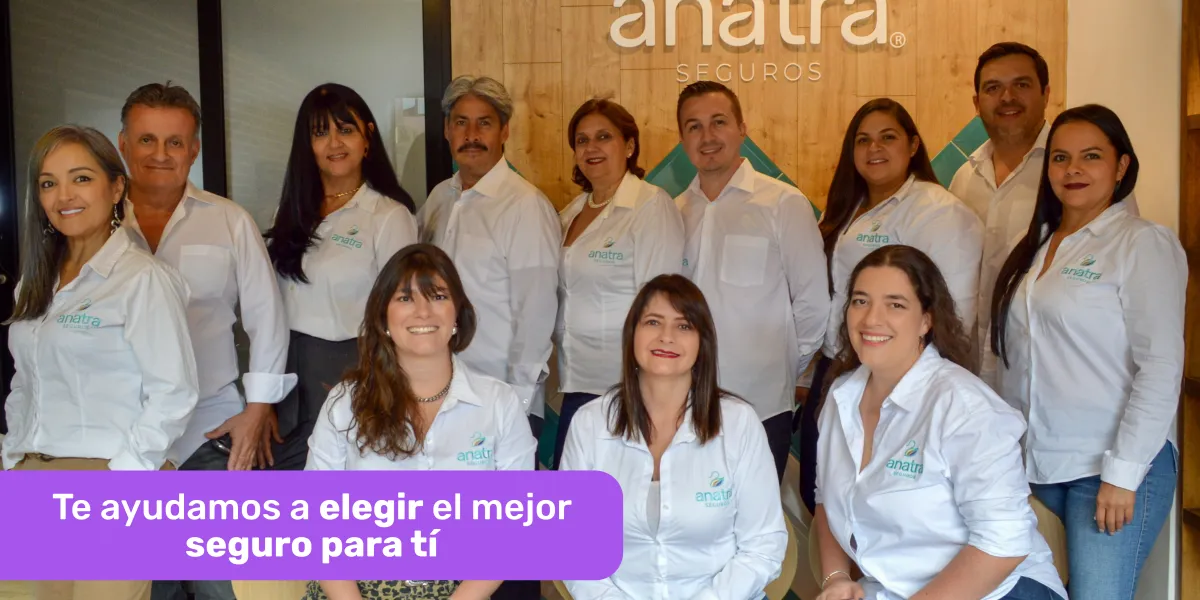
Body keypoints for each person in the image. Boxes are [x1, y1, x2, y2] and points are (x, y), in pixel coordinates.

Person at [991, 104, 1185, 599]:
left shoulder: (1141, 243)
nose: (1073, 169)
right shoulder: (1036, 245)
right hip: (1034, 464)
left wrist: (1123, 475)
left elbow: (1161, 366)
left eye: (1091, 156)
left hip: (1109, 466)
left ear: (1121, 166)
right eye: (1060, 157)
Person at [115, 82, 297, 600]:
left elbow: (267, 318)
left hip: (208, 431)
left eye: (175, 142)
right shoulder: (95, 225)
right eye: (147, 139)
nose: (161, 154)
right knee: (145, 587)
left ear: (194, 149)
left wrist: (258, 408)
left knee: (227, 585)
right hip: (121, 442)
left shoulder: (228, 221)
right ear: (123, 144)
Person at [2, 125, 199, 600]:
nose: (64, 195)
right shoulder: (36, 282)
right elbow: (25, 383)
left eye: (81, 178)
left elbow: (173, 393)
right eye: (48, 183)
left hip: (109, 477)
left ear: (115, 188)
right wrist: (11, 460)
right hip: (33, 477)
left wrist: (124, 478)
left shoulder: (142, 278)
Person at [814, 245, 1065, 600]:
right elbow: (826, 496)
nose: (871, 319)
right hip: (893, 590)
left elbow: (1004, 543)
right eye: (860, 301)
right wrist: (836, 578)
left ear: (926, 320)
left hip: (998, 591)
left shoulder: (965, 408)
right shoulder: (841, 397)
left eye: (895, 305)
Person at [306, 243, 536, 600]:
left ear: (458, 313)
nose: (423, 311)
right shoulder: (346, 402)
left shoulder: (499, 404)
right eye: (405, 298)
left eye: (438, 296)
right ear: (383, 318)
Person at [797, 97, 984, 513]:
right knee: (823, 492)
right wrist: (810, 373)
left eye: (888, 138)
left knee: (884, 502)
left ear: (913, 145)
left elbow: (954, 311)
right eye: (863, 140)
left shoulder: (940, 212)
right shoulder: (846, 208)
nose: (874, 148)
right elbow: (832, 296)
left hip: (900, 377)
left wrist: (918, 385)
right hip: (838, 366)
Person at [561, 274, 787, 600]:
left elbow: (763, 544)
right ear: (632, 334)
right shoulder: (589, 423)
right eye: (653, 322)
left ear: (702, 343)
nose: (666, 336)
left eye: (684, 326)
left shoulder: (739, 423)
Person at [949, 42, 1137, 387]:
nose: (1007, 97)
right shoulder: (964, 178)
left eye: (1021, 84)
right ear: (977, 103)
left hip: (1062, 372)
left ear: (1046, 93)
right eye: (993, 88)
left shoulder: (1081, 176)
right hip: (975, 367)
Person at [675, 80, 829, 482]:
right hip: (685, 402)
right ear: (682, 139)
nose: (707, 136)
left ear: (741, 128)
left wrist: (783, 368)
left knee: (755, 516)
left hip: (761, 405)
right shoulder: (675, 211)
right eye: (694, 126)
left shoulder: (782, 203)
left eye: (719, 122)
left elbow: (814, 303)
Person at [264, 83, 419, 469]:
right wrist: (264, 394)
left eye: (345, 130)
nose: (334, 142)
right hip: (284, 376)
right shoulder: (288, 213)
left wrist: (374, 385)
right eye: (320, 133)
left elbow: (402, 312)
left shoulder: (389, 216)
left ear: (367, 138)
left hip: (353, 372)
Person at [417, 75, 560, 453]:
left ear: (504, 131)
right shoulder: (439, 199)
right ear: (447, 130)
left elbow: (537, 312)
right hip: (435, 391)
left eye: (484, 123)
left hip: (500, 397)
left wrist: (518, 403)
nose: (472, 135)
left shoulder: (525, 206)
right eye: (461, 122)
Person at [550, 97, 685, 470]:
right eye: (581, 140)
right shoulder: (569, 213)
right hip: (576, 380)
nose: (591, 148)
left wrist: (649, 385)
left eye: (603, 137)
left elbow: (660, 305)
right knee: (574, 497)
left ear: (629, 146)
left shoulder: (650, 206)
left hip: (628, 387)